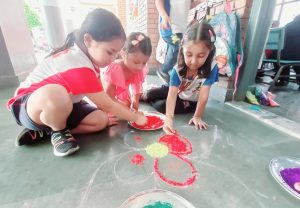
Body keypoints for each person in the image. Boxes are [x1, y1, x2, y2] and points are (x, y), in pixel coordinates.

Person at [7, 8, 147, 157]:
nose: (113, 59)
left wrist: (125, 112)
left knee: (101, 120)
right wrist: (135, 117)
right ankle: (58, 132)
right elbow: (106, 104)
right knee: (56, 94)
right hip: (28, 106)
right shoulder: (77, 62)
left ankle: (46, 131)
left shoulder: (91, 63)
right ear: (88, 40)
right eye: (109, 52)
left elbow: (103, 101)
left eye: (116, 53)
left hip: (65, 105)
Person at [141, 22, 218, 134]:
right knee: (151, 94)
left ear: (209, 52)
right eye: (189, 54)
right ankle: (147, 95)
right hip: (177, 92)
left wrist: (197, 116)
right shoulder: (177, 69)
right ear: (182, 49)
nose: (194, 61)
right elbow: (172, 94)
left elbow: (203, 96)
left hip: (189, 101)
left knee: (160, 105)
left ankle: (149, 98)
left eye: (201, 56)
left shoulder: (212, 67)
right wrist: (168, 119)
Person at [102, 32, 152, 112]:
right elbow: (108, 98)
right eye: (136, 62)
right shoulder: (114, 70)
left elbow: (136, 91)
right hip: (104, 93)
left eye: (144, 63)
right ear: (123, 54)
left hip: (121, 89)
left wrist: (135, 109)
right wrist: (127, 112)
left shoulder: (138, 69)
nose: (140, 67)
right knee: (122, 108)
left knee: (127, 104)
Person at [155, 0, 199, 83]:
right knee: (179, 47)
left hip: (181, 29)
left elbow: (187, 5)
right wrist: (164, 16)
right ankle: (163, 70)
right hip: (169, 27)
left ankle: (173, 77)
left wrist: (199, 2)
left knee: (178, 52)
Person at [268, 15, 300, 87]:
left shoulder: (286, 26)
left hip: (276, 56)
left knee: (288, 53)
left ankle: (283, 79)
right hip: (292, 57)